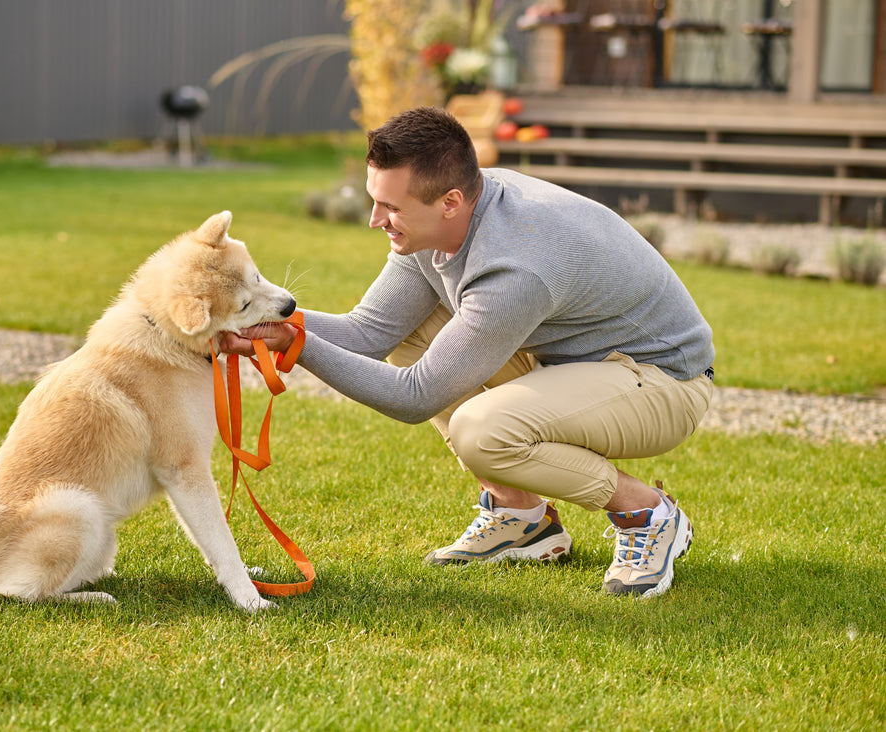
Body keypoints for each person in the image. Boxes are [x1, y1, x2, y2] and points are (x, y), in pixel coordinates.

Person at [221, 106, 715, 597]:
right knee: (417, 331)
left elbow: (415, 397)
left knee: (484, 431)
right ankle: (521, 518)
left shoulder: (514, 267)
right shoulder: (442, 222)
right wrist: (257, 320)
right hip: (578, 364)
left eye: (391, 207)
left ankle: (648, 514)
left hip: (662, 383)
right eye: (376, 201)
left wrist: (294, 343)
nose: (376, 220)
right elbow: (369, 332)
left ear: (450, 201)